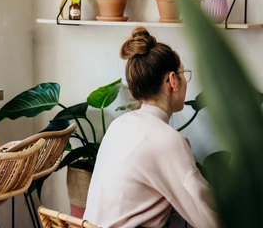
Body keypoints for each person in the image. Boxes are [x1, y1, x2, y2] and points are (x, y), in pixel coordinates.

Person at [84, 27, 218, 228]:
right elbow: (210, 218)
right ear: (173, 80)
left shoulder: (119, 125)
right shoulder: (166, 141)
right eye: (183, 74)